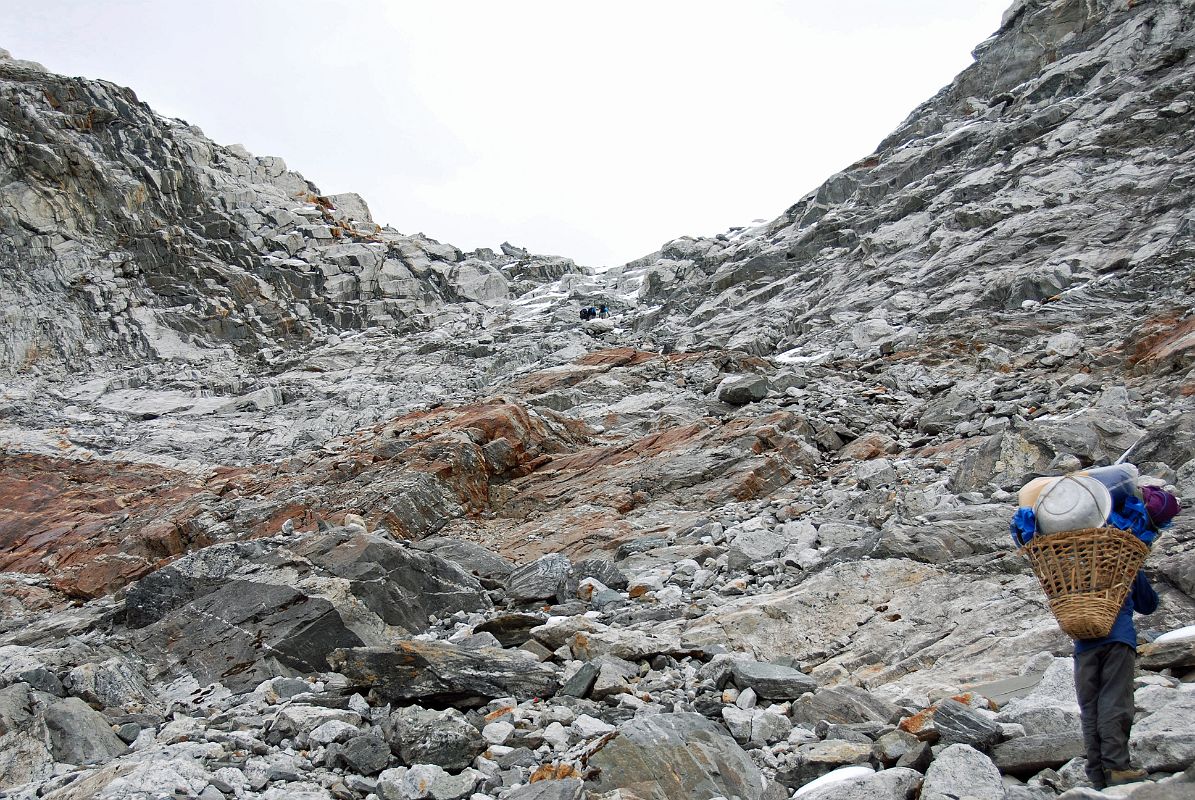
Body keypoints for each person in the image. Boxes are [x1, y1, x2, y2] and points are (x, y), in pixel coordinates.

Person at [1074, 570, 1158, 789]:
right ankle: (1117, 767)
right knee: (1115, 701)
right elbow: (1149, 604)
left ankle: (1096, 773)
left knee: (1090, 708)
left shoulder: (1067, 563)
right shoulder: (1121, 557)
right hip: (1118, 639)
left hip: (1084, 644)